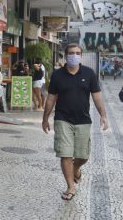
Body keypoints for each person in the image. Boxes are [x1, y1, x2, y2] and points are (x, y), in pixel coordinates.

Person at [42, 43, 108, 201]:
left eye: (78, 53)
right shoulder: (57, 75)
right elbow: (51, 98)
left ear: (81, 55)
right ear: (66, 55)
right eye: (71, 53)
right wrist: (45, 118)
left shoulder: (89, 73)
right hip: (62, 119)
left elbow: (97, 96)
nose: (74, 55)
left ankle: (76, 167)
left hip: (83, 120)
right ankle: (70, 187)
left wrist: (103, 115)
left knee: (83, 155)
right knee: (65, 154)